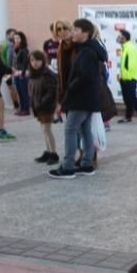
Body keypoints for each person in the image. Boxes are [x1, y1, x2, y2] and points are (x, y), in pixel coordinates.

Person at [49, 18, 105, 179]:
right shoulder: (87, 48)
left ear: (85, 33)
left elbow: (84, 77)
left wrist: (70, 91)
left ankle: (68, 167)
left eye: (75, 30)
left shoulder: (86, 52)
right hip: (87, 98)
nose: (72, 32)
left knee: (70, 129)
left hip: (80, 98)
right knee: (84, 129)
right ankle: (86, 164)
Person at [29, 49, 59, 164]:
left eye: (37, 60)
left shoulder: (48, 74)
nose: (35, 63)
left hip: (46, 106)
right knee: (44, 129)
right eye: (32, 60)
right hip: (38, 106)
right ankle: (48, 151)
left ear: (43, 60)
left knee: (47, 129)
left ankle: (53, 153)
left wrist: (42, 103)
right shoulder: (33, 74)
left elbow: (51, 92)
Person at [115, 29, 137, 125]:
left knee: (132, 97)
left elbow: (131, 65)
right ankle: (128, 116)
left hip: (130, 78)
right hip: (125, 78)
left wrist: (127, 77)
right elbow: (124, 65)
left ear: (125, 38)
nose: (118, 38)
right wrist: (121, 76)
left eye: (120, 36)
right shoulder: (124, 48)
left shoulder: (130, 48)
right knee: (126, 98)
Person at [11, 31, 31, 116]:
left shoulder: (24, 50)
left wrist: (22, 73)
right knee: (19, 92)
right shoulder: (16, 49)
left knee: (24, 92)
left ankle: (26, 109)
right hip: (16, 73)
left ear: (22, 39)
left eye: (18, 38)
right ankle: (22, 108)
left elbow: (25, 63)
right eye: (15, 38)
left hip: (22, 73)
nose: (16, 40)